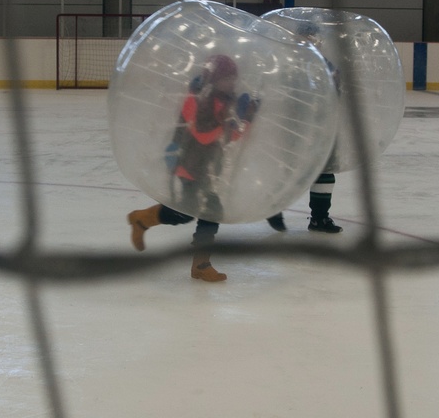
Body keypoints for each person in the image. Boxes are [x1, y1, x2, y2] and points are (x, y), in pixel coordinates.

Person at [127, 54, 257, 282]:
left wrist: (247, 119)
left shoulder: (225, 101)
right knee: (188, 213)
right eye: (227, 78)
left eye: (233, 78)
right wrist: (229, 123)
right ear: (214, 79)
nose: (232, 83)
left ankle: (200, 262)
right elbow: (202, 135)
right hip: (189, 165)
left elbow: (229, 138)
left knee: (206, 211)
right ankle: (144, 219)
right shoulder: (196, 100)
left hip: (208, 168)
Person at [267, 22, 344, 234]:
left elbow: (336, 97)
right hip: (295, 128)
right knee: (288, 171)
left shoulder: (327, 65)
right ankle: (272, 208)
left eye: (313, 39)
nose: (310, 42)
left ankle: (319, 218)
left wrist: (335, 85)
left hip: (323, 128)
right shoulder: (288, 64)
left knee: (325, 172)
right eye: (305, 38)